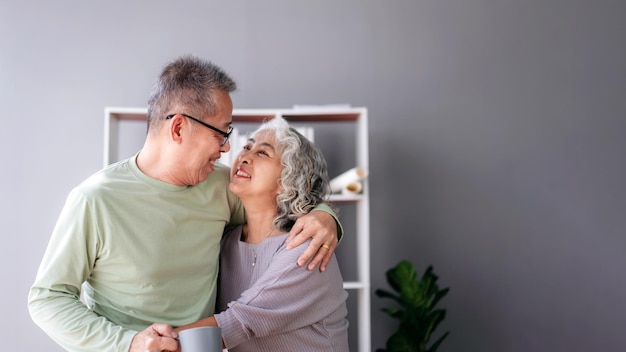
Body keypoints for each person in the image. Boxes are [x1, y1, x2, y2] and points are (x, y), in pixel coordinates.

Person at [28, 55, 342, 352]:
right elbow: (47, 298)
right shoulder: (95, 199)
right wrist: (128, 343)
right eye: (221, 132)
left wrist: (325, 216)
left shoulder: (222, 186)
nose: (227, 148)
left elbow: (280, 204)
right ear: (179, 127)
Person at [175, 116, 349, 351]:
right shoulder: (226, 240)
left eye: (263, 153)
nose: (244, 156)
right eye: (247, 147)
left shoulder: (306, 248)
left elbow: (233, 325)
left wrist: (140, 344)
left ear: (290, 181)